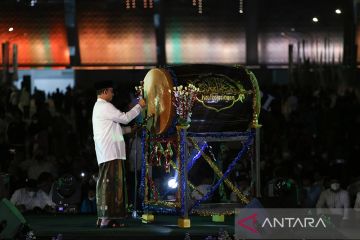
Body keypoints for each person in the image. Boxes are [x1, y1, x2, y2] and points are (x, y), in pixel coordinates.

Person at [92, 80, 146, 228]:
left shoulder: (100, 107)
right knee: (111, 185)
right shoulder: (104, 106)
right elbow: (125, 118)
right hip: (111, 153)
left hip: (110, 152)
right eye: (110, 91)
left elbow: (116, 131)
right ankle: (106, 219)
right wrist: (139, 106)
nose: (113, 93)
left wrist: (130, 130)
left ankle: (109, 218)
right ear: (104, 92)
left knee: (113, 185)